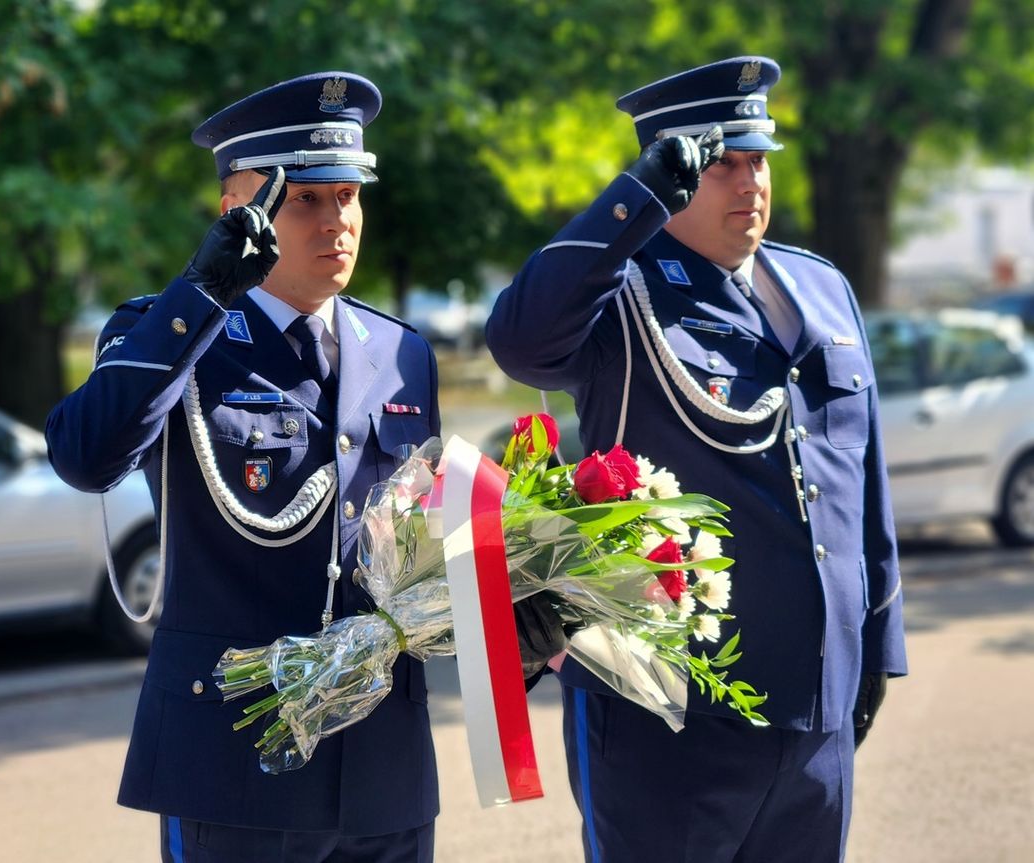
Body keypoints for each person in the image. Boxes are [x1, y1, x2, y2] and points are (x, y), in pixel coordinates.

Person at [487, 57, 907, 862]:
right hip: (668, 723)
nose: (750, 182)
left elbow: (864, 483)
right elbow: (519, 340)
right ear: (673, 177)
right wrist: (632, 200)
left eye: (758, 162)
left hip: (816, 710)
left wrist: (877, 646)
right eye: (722, 165)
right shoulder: (622, 293)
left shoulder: (821, 288)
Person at [46, 72, 440, 863]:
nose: (337, 221)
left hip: (382, 774)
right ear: (239, 211)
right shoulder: (168, 331)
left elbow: (420, 540)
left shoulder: (403, 352)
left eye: (349, 196)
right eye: (305, 200)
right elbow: (86, 456)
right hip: (236, 768)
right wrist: (201, 293)